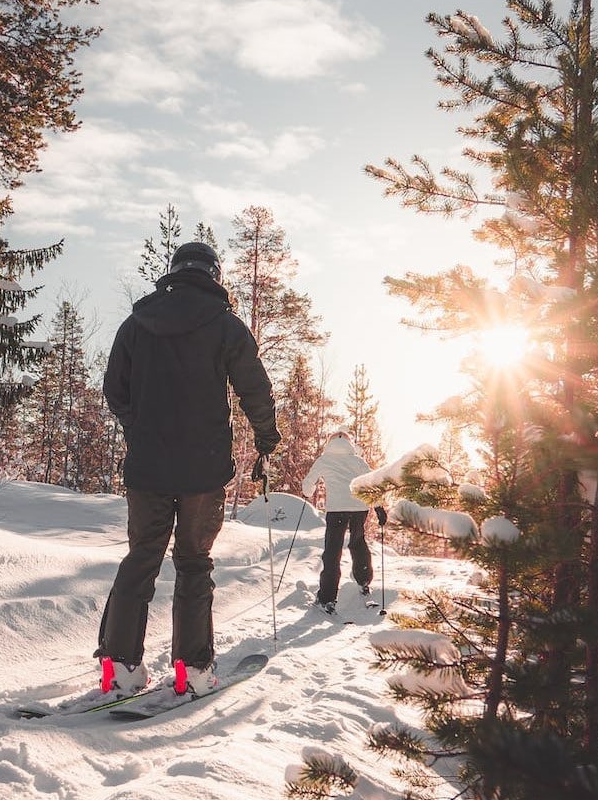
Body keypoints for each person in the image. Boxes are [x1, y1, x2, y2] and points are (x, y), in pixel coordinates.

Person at [96, 241, 279, 698]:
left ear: (174, 272)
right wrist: (265, 440)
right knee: (194, 563)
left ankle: (118, 666)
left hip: (148, 468)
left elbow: (113, 388)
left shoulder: (137, 323)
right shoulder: (225, 326)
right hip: (202, 470)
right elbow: (254, 388)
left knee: (142, 558)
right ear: (214, 275)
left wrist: (138, 427)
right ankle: (192, 670)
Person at [301, 431, 387, 614]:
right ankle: (363, 582)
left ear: (329, 442)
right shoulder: (357, 460)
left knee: (333, 551)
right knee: (357, 542)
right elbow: (371, 483)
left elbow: (308, 486)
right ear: (349, 443)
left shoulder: (324, 459)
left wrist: (309, 489)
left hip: (336, 509)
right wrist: (379, 507)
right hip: (359, 508)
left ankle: (327, 598)